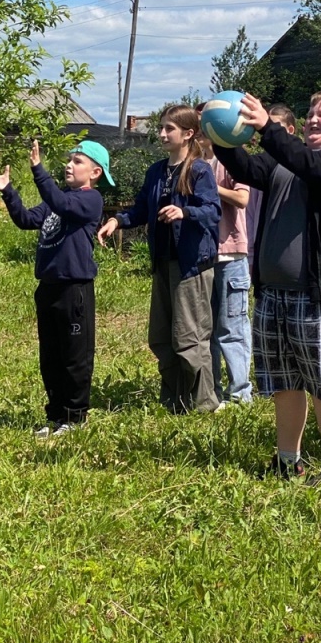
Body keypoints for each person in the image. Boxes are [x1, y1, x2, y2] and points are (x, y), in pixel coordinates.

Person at [213, 90, 321, 482]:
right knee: (284, 384)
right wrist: (219, 132)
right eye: (310, 112)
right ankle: (286, 460)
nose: (312, 118)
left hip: (319, 295)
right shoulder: (286, 160)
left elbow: (308, 165)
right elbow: (245, 167)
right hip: (273, 294)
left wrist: (268, 128)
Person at [0, 139, 112, 437]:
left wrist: (39, 170)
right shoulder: (59, 198)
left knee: (74, 357)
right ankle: (55, 416)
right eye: (69, 160)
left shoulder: (91, 199)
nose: (69, 165)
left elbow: (61, 204)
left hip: (74, 290)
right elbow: (26, 220)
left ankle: (75, 418)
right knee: (50, 357)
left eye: (77, 161)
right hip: (48, 288)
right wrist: (8, 191)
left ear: (95, 173)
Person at [98, 104, 221, 413]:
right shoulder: (156, 171)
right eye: (161, 127)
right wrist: (117, 221)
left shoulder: (199, 170)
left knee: (190, 338)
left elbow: (212, 211)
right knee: (162, 337)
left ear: (188, 134)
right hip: (163, 263)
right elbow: (142, 208)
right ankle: (173, 402)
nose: (162, 134)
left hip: (191, 265)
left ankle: (203, 405)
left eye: (169, 128)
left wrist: (185, 212)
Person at [204, 134, 253, 404]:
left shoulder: (232, 159)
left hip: (231, 254)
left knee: (231, 327)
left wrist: (209, 186)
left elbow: (242, 198)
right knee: (207, 329)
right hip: (203, 256)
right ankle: (212, 392)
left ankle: (240, 395)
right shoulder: (193, 162)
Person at [246, 104, 296, 268]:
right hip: (263, 251)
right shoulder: (261, 166)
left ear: (290, 130)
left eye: (273, 127)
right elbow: (251, 215)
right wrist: (251, 256)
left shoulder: (300, 165)